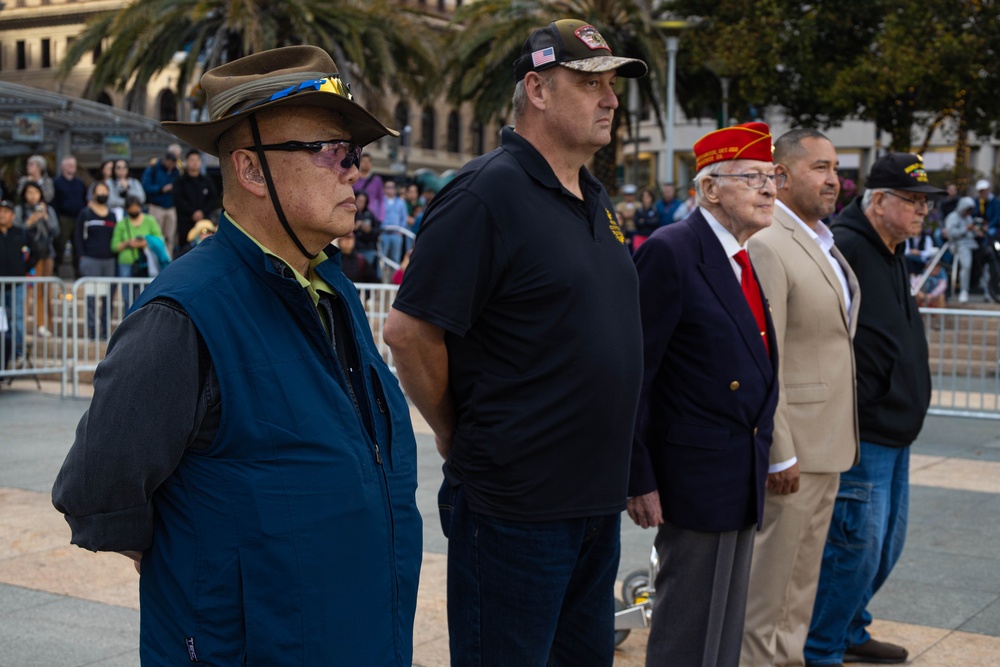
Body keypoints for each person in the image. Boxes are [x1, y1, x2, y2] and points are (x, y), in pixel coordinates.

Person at [52, 45, 421, 666]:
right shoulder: (185, 313)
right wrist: (203, 564)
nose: (354, 171)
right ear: (251, 170)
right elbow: (97, 485)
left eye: (356, 154)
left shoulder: (333, 290)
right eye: (332, 151)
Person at [383, 18, 647, 665]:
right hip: (515, 509)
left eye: (614, 84)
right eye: (590, 82)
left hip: (592, 506)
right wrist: (456, 431)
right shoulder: (485, 193)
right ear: (537, 88)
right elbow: (410, 332)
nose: (610, 98)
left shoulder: (595, 198)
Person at [626, 122, 780, 667]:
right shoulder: (673, 250)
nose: (769, 189)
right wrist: (638, 476)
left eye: (771, 176)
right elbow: (637, 371)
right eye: (753, 177)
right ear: (710, 189)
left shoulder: (741, 256)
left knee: (723, 627)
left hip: (737, 469)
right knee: (689, 631)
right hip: (693, 474)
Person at [805, 153, 938, 667]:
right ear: (879, 201)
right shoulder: (848, 246)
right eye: (913, 200)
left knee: (884, 548)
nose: (922, 210)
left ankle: (850, 628)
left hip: (895, 431)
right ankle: (821, 648)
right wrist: (867, 397)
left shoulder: (890, 250)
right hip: (866, 430)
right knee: (854, 549)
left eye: (926, 202)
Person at [741, 129, 861, 667]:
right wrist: (779, 449)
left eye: (836, 167)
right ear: (782, 176)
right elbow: (767, 356)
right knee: (768, 600)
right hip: (794, 452)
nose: (833, 178)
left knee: (799, 594)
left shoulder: (821, 239)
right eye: (820, 167)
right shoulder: (770, 242)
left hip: (828, 444)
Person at [14, 181, 60, 337]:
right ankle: (24, 325)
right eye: (29, 192)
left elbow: (56, 231)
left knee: (44, 290)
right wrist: (30, 221)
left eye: (35, 192)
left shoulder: (49, 210)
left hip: (46, 254)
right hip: (29, 256)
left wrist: (45, 216)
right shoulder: (20, 210)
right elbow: (17, 231)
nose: (32, 196)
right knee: (27, 291)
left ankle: (44, 325)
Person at [74, 182, 118, 340]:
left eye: (105, 191)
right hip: (91, 260)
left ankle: (105, 331)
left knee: (108, 299)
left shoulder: (112, 215)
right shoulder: (85, 213)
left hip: (109, 261)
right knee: (91, 299)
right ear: (93, 194)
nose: (102, 193)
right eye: (99, 191)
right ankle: (93, 331)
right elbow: (78, 236)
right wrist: (82, 256)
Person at [0, 199, 40, 365]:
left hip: (16, 284)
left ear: (13, 215)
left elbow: (36, 252)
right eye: (0, 211)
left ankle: (17, 353)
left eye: (6, 211)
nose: (2, 214)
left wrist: (24, 268)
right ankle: (2, 356)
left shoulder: (21, 233)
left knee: (17, 318)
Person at [112, 195, 164, 310]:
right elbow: (114, 246)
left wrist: (145, 242)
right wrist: (128, 243)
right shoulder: (122, 224)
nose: (134, 210)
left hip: (146, 265)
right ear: (126, 209)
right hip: (126, 263)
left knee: (146, 297)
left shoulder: (150, 220)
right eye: (131, 208)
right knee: (127, 298)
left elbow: (159, 240)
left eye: (136, 207)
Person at [173, 149, 219, 256]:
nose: (194, 162)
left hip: (204, 220)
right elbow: (178, 199)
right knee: (185, 249)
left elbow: (213, 198)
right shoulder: (180, 180)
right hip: (186, 220)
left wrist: (202, 212)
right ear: (186, 162)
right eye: (192, 160)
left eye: (197, 160)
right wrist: (192, 212)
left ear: (201, 162)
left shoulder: (206, 180)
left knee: (206, 248)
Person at [52, 155, 88, 278]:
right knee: (60, 246)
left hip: (78, 219)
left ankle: (78, 276)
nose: (72, 167)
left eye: (74, 165)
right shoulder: (56, 182)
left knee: (78, 247)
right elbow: (54, 202)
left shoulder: (80, 183)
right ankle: (55, 274)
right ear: (63, 167)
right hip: (63, 219)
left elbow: (84, 200)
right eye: (69, 165)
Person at [141, 151, 180, 254]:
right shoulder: (153, 168)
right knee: (156, 236)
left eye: (173, 163)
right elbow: (146, 186)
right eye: (170, 163)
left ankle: (168, 260)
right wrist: (161, 189)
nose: (172, 165)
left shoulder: (176, 171)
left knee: (170, 237)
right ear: (165, 160)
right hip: (156, 206)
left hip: (171, 206)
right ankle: (155, 261)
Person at [945, 196, 981, 303]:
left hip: (972, 244)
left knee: (986, 253)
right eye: (967, 210)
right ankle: (963, 291)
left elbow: (971, 234)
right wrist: (965, 228)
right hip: (958, 245)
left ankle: (987, 288)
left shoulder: (969, 218)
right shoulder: (953, 217)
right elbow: (950, 234)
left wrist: (976, 231)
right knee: (966, 265)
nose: (968, 212)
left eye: (970, 210)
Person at [379, 179, 408, 266]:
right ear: (384, 189)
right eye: (388, 187)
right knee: (382, 257)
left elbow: (404, 218)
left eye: (392, 187)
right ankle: (381, 278)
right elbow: (377, 216)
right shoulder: (380, 201)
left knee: (396, 257)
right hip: (383, 233)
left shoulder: (401, 202)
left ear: (395, 189)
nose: (390, 189)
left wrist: (400, 231)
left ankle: (395, 279)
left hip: (396, 234)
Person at [353, 190, 381, 272]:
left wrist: (369, 230)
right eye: (359, 201)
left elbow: (377, 231)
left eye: (363, 201)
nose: (361, 203)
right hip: (354, 248)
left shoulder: (369, 214)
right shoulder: (349, 214)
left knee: (367, 271)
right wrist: (354, 227)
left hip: (368, 248)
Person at [354, 153, 385, 221]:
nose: (366, 164)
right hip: (355, 213)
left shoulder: (377, 180)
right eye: (364, 161)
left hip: (370, 215)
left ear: (371, 164)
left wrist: (381, 217)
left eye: (368, 161)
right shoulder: (354, 178)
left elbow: (381, 200)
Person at [633, 186, 661, 251]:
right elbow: (637, 223)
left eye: (648, 196)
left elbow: (656, 223)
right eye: (644, 196)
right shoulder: (639, 210)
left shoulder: (655, 210)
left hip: (651, 236)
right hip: (640, 237)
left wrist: (644, 220)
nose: (646, 198)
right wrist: (650, 220)